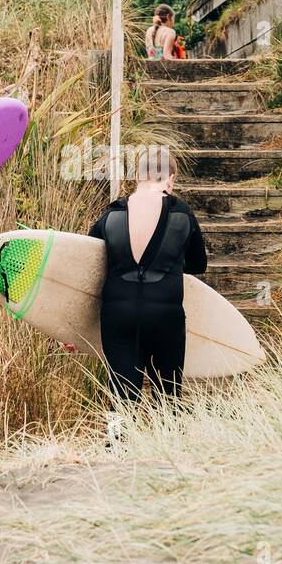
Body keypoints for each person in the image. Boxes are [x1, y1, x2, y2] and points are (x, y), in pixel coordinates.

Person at [86, 147, 207, 402]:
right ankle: (166, 439)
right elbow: (198, 264)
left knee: (121, 397)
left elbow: (88, 268)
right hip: (165, 316)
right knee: (168, 396)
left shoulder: (111, 214)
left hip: (117, 316)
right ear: (170, 179)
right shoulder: (182, 214)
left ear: (137, 177)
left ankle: (116, 441)